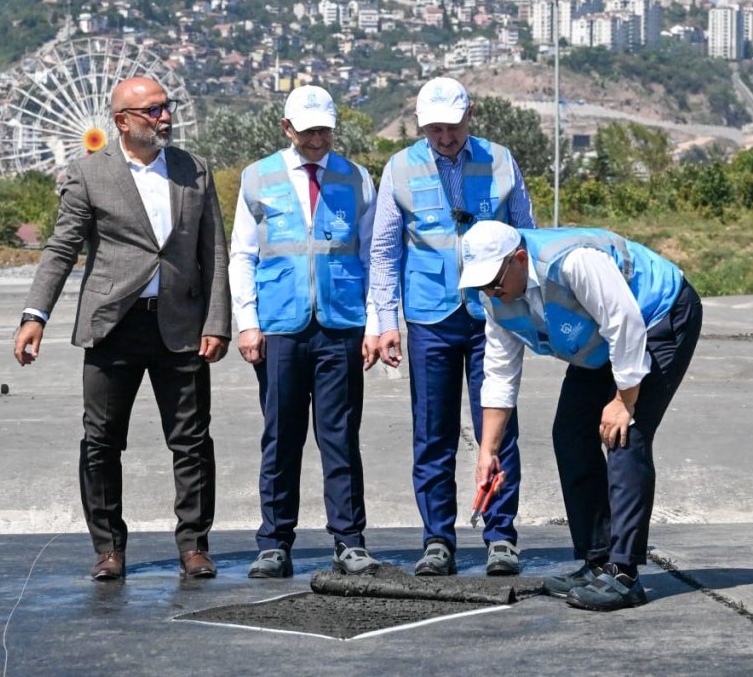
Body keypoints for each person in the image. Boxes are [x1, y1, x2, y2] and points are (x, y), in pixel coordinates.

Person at [13, 76, 231, 582]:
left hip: (181, 326)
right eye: (152, 111)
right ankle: (109, 548)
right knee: (102, 442)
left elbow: (214, 251)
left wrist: (217, 321)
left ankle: (194, 546)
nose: (164, 117)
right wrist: (34, 315)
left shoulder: (194, 170)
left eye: (166, 107)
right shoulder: (89, 173)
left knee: (192, 442)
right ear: (122, 121)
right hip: (113, 326)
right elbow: (62, 248)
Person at [459, 221, 702, 611]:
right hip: (604, 338)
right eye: (480, 285)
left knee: (624, 435)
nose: (489, 292)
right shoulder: (495, 299)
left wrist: (623, 401)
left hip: (657, 315)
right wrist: (488, 452)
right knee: (570, 434)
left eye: (494, 282)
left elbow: (625, 323)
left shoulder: (573, 263)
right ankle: (598, 560)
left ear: (519, 259)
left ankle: (624, 575)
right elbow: (500, 376)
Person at [368, 77, 535, 577]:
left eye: (453, 127)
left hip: (492, 314)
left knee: (498, 428)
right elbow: (384, 250)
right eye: (434, 129)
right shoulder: (400, 168)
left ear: (470, 115)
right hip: (429, 318)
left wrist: (528, 305)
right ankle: (438, 539)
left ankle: (500, 536)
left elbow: (527, 235)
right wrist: (385, 320)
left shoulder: (501, 160)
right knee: (432, 433)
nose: (444, 138)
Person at [230, 85, 380, 579]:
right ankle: (274, 542)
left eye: (324, 131)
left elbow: (371, 255)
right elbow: (243, 255)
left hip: (341, 325)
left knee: (340, 437)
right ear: (286, 128)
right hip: (280, 328)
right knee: (281, 437)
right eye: (308, 131)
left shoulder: (356, 178)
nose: (317, 140)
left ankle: (349, 541)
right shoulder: (258, 177)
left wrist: (375, 323)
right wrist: (248, 322)